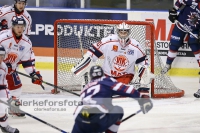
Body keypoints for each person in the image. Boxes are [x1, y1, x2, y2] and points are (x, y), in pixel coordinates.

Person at [71, 65, 153, 133]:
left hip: (79, 121)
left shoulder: (86, 86)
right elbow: (126, 89)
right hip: (97, 121)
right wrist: (142, 98)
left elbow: (76, 111)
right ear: (102, 74)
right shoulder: (106, 80)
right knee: (118, 110)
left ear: (91, 76)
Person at [71, 22, 150, 85]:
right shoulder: (109, 41)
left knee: (116, 87)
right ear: (117, 32)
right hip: (107, 75)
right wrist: (81, 65)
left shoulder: (135, 45)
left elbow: (144, 62)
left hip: (125, 76)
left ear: (128, 32)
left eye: (125, 32)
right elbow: (92, 53)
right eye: (121, 32)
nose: (123, 34)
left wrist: (142, 75)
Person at [0, 16, 43, 118]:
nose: (20, 29)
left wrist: (33, 74)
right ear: (13, 27)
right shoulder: (3, 38)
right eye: (17, 26)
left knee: (16, 86)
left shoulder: (27, 42)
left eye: (21, 27)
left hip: (10, 70)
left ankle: (12, 107)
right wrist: (4, 64)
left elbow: (27, 62)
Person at [160, 0, 200, 98]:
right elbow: (180, 1)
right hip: (181, 24)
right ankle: (168, 64)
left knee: (194, 43)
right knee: (174, 43)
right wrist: (174, 10)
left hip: (195, 29)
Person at [0, 46, 19, 133]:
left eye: (2, 56)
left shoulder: (4, 67)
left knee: (1, 109)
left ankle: (4, 126)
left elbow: (4, 87)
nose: (1, 58)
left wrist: (9, 98)